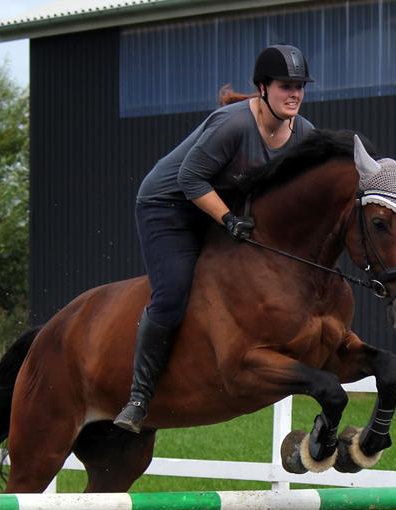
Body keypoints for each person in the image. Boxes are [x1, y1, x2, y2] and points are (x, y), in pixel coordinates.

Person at [114, 45, 317, 433]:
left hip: (221, 209)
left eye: (300, 87)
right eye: (285, 86)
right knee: (172, 293)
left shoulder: (303, 133)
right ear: (263, 88)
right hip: (169, 207)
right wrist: (227, 220)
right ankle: (138, 398)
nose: (295, 95)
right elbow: (190, 180)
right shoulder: (233, 125)